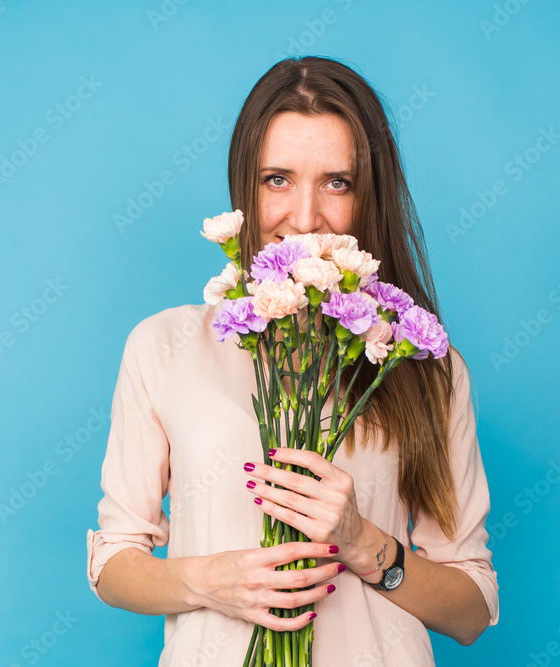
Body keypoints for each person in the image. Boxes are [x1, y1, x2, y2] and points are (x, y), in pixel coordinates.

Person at [85, 56, 499, 666]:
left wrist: (363, 542)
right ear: (243, 188)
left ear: (369, 197)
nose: (304, 218)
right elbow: (114, 562)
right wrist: (213, 581)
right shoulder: (162, 347)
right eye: (277, 178)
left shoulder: (423, 369)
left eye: (337, 182)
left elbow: (471, 611)